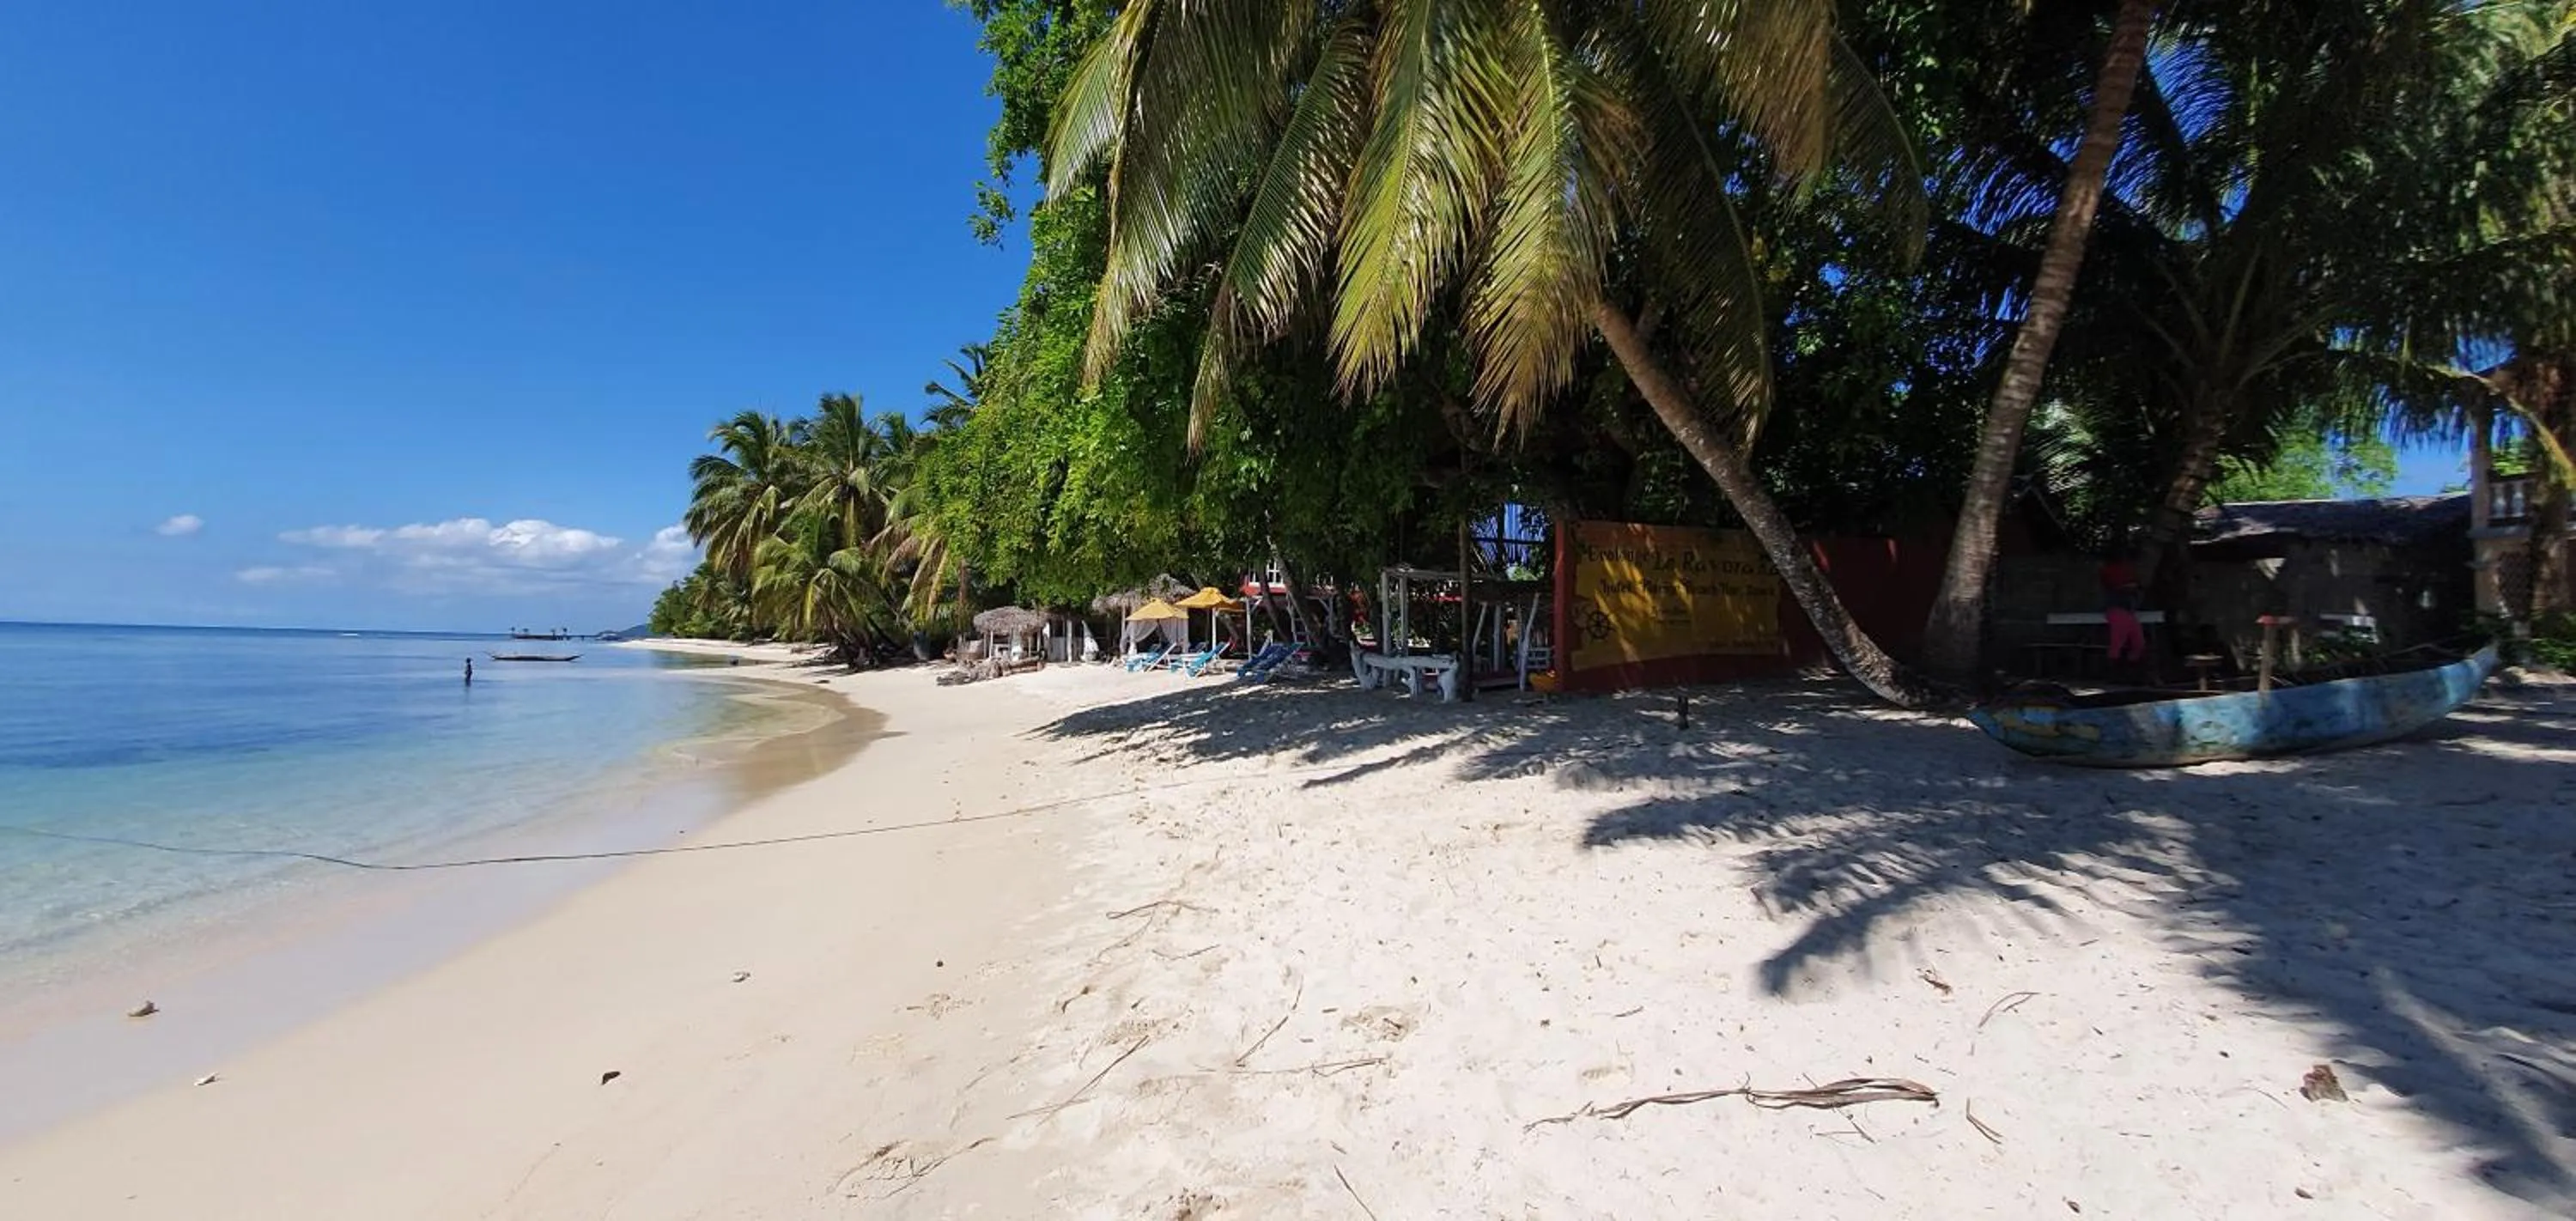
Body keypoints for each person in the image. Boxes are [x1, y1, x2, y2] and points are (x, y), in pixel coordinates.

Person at [2099, 546, 2148, 665]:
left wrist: (2134, 587)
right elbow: (2112, 586)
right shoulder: (2109, 570)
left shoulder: (2128, 569)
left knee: (2138, 642)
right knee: (2118, 641)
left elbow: (2138, 585)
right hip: (2117, 608)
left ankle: (2130, 667)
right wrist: (2129, 587)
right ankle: (2116, 669)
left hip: (2128, 609)